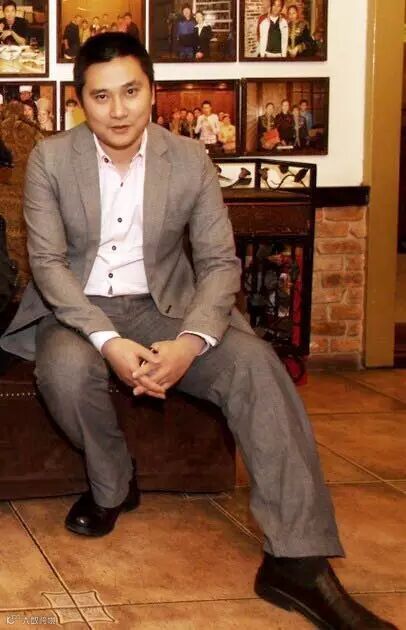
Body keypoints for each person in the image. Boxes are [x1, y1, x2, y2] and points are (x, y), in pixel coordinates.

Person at [0, 33, 397, 630]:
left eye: (131, 92)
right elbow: (50, 266)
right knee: (64, 369)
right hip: (78, 310)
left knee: (257, 367)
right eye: (101, 96)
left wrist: (190, 344)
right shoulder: (51, 160)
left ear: (152, 92)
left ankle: (297, 560)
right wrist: (108, 341)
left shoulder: (188, 158)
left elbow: (217, 264)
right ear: (81, 102)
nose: (118, 110)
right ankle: (113, 485)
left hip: (168, 307)